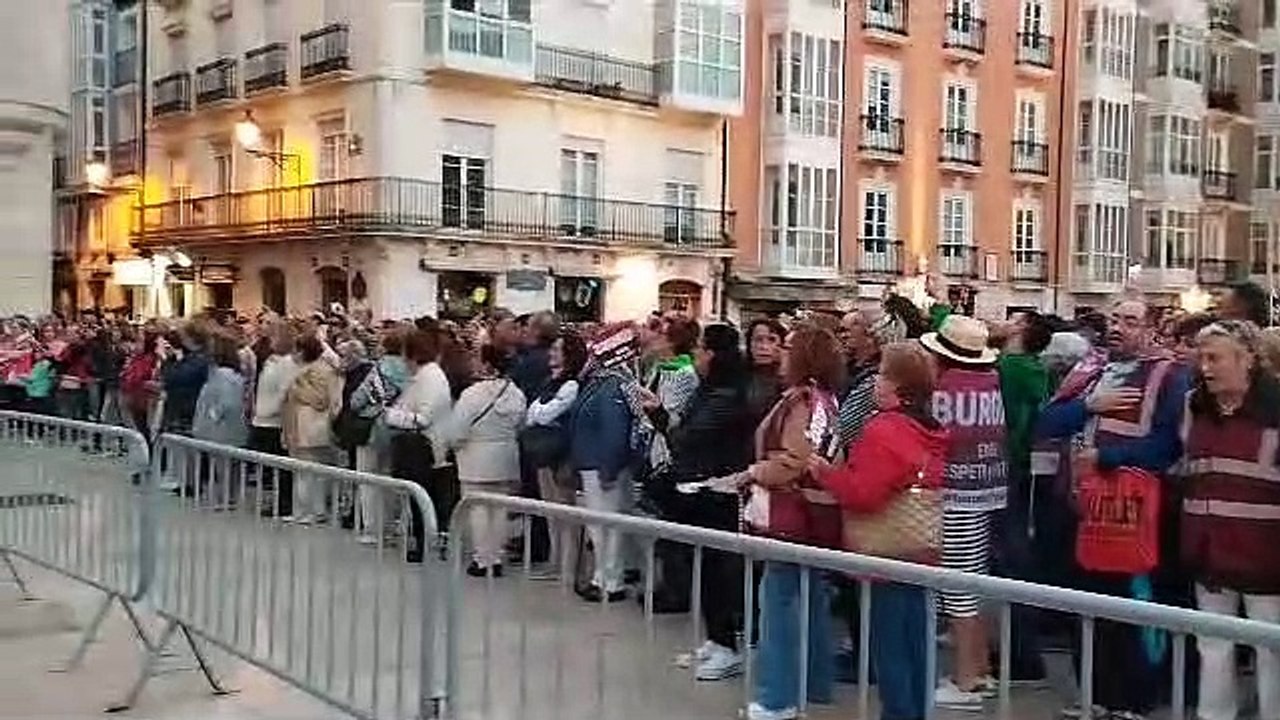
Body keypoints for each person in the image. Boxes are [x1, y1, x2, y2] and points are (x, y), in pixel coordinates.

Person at [1036, 298, 1191, 720]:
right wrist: (1088, 407)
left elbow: (1170, 444)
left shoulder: (1169, 376)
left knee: (1135, 607)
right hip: (1082, 509)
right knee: (1088, 605)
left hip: (1135, 514)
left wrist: (1110, 459)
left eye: (1130, 320)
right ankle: (1096, 696)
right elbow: (1046, 424)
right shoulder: (1090, 371)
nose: (1119, 327)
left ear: (1150, 328)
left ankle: (1134, 701)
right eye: (1115, 319)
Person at [811, 342, 947, 720]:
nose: (875, 380)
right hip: (921, 545)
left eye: (884, 373)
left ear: (898, 384)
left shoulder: (884, 430)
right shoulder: (930, 428)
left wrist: (826, 474)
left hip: (885, 551)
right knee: (917, 641)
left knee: (890, 649)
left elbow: (864, 494)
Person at [746, 322, 845, 720]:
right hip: (816, 510)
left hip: (793, 512)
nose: (780, 353)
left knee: (779, 601)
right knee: (812, 600)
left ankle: (777, 697)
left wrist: (755, 472)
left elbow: (794, 459)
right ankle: (813, 684)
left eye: (787, 346)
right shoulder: (825, 399)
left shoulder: (802, 401)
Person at [1181, 320, 1280, 720]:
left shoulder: (1275, 412)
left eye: (1215, 358)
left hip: (1266, 557)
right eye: (1202, 358)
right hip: (1207, 552)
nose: (1206, 367)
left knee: (1270, 649)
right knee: (1213, 645)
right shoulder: (1195, 406)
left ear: (1247, 360)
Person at [919, 315, 1010, 708]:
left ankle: (966, 680)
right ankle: (981, 669)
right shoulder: (989, 384)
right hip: (985, 489)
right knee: (973, 580)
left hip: (952, 494)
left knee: (957, 589)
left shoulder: (941, 389)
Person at [659, 324, 753, 680]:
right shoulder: (707, 390)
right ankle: (715, 639)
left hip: (716, 491)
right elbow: (681, 430)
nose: (695, 355)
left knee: (718, 570)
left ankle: (727, 645)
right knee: (703, 567)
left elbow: (689, 434)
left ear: (712, 354)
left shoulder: (727, 396)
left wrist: (668, 424)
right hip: (696, 487)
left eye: (699, 349)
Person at [995, 310, 1054, 685]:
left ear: (1020, 329)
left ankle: (1021, 655)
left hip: (1010, 467)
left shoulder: (1012, 368)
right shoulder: (1031, 368)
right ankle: (1018, 650)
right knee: (1014, 557)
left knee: (1011, 559)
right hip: (1023, 468)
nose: (999, 322)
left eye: (1010, 318)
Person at [567, 323, 640, 603]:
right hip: (594, 463)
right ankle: (604, 576)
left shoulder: (612, 385)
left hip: (602, 467)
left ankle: (609, 581)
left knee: (605, 527)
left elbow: (614, 430)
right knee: (601, 527)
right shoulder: (602, 382)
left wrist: (609, 468)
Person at [449, 344, 527, 576]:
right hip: (505, 455)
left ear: (487, 364)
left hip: (475, 457)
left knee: (478, 509)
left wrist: (453, 445)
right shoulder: (516, 393)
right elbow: (521, 424)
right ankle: (497, 555)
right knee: (500, 508)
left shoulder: (471, 395)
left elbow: (457, 429)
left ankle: (482, 558)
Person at [523, 330, 588, 577]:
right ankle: (556, 562)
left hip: (560, 455)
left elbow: (542, 414)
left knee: (565, 511)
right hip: (546, 453)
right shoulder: (551, 382)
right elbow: (535, 413)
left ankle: (570, 565)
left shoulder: (570, 385)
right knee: (551, 510)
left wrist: (539, 411)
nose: (551, 353)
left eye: (557, 349)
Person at [384, 328, 454, 555]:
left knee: (424, 499)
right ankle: (423, 541)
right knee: (422, 499)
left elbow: (423, 418)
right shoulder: (424, 376)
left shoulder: (430, 378)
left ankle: (425, 544)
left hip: (426, 448)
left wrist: (392, 416)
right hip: (424, 447)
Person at [281, 332, 343, 524]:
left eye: (296, 350)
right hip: (298, 425)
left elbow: (320, 399)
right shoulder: (305, 369)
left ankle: (313, 510)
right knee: (303, 471)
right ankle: (303, 510)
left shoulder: (319, 371)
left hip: (312, 426)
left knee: (311, 471)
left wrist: (296, 388)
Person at [192, 332, 249, 505]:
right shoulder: (232, 374)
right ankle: (229, 495)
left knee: (223, 464)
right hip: (231, 425)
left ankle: (225, 496)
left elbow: (226, 402)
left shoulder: (222, 375)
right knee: (229, 465)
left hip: (221, 427)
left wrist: (211, 416)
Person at [249, 324, 300, 516]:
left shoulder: (288, 364)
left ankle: (284, 502)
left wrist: (271, 410)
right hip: (261, 418)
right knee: (268, 466)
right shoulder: (271, 361)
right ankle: (275, 499)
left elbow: (285, 391)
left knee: (280, 465)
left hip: (274, 421)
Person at [160, 324, 211, 436]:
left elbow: (174, 377)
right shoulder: (187, 357)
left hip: (187, 412)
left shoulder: (200, 359)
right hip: (176, 410)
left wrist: (164, 358)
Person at [745, 318, 785, 428]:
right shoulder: (737, 376)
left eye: (772, 340)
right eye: (758, 340)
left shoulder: (790, 381)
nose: (764, 347)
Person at [120, 332, 161, 438]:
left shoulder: (150, 359)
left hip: (143, 399)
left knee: (143, 429)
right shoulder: (136, 358)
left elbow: (139, 377)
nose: (135, 345)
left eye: (139, 342)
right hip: (133, 398)